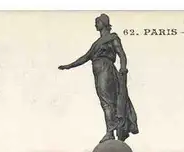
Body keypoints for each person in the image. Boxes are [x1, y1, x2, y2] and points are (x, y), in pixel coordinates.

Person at [58, 13, 139, 143]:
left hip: (106, 71)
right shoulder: (96, 44)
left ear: (104, 23)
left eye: (97, 22)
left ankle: (110, 132)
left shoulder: (112, 38)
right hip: (99, 72)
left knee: (107, 103)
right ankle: (110, 131)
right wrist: (69, 66)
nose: (95, 24)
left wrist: (123, 69)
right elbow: (84, 58)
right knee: (106, 103)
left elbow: (122, 55)